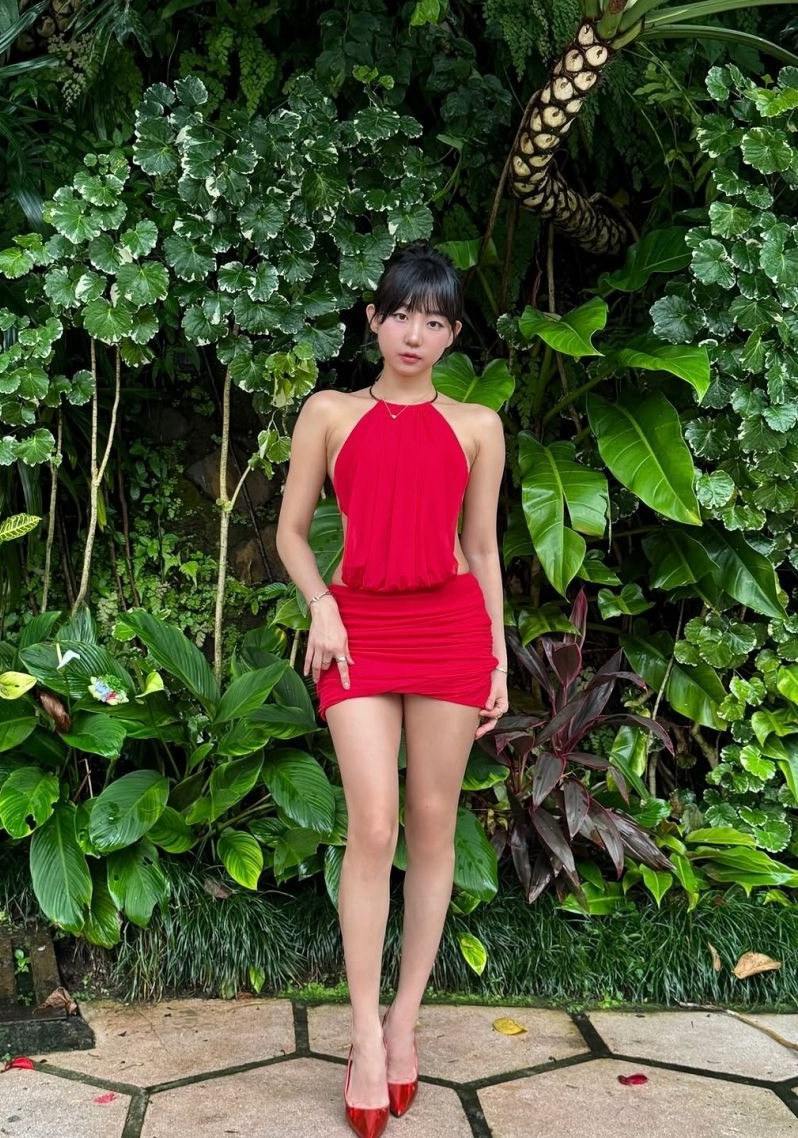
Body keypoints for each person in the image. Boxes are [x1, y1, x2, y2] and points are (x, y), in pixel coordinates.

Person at [275, 241, 508, 1136]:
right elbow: (292, 532)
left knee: (433, 825)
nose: (416, 334)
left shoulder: (478, 425)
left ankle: (406, 1021)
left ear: (453, 335)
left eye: (435, 321)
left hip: (450, 632)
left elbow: (481, 548)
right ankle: (364, 1036)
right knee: (372, 826)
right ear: (373, 319)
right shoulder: (329, 412)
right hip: (359, 633)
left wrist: (495, 659)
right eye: (402, 314)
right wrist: (322, 607)